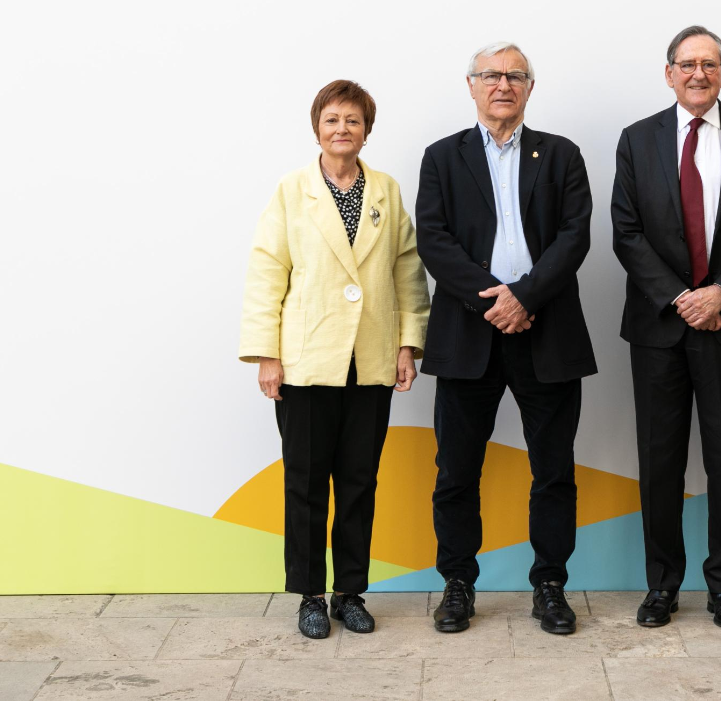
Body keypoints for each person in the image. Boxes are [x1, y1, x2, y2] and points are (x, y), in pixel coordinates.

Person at [415, 42, 596, 635]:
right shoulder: (442, 157)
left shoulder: (562, 154)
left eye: (515, 75)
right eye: (491, 75)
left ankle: (549, 584)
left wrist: (526, 297)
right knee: (456, 472)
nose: (503, 84)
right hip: (470, 333)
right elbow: (435, 241)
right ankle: (458, 584)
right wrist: (493, 299)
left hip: (546, 331)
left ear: (529, 88)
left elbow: (575, 236)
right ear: (470, 85)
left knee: (553, 471)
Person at [239, 79, 430, 639]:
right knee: (304, 484)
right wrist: (267, 355)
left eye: (353, 120)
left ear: (367, 130)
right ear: (316, 127)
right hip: (306, 360)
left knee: (358, 482)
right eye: (332, 119)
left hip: (368, 360)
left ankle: (350, 592)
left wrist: (407, 344)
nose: (342, 129)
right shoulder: (291, 190)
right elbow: (267, 270)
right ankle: (309, 595)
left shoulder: (386, 191)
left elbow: (407, 271)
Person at [611, 25, 721, 630]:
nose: (698, 74)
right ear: (669, 73)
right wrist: (682, 298)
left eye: (710, 64)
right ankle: (662, 586)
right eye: (687, 64)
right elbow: (625, 232)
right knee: (660, 462)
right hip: (660, 326)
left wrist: (720, 294)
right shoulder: (637, 139)